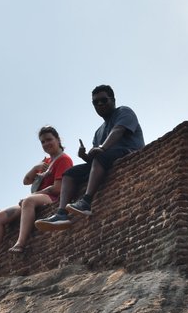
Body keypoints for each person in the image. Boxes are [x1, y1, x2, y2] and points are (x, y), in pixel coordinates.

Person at [35, 85, 143, 230]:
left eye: (103, 100)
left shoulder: (124, 112)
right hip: (107, 159)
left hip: (128, 152)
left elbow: (118, 130)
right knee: (69, 173)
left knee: (101, 156)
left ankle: (86, 202)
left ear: (113, 100)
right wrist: (85, 157)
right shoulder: (99, 132)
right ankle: (61, 214)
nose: (100, 104)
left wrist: (102, 148)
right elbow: (95, 163)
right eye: (96, 102)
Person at [0, 126, 73, 269]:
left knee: (28, 200)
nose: (46, 144)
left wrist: (33, 195)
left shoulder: (64, 160)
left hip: (52, 198)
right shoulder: (46, 162)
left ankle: (21, 243)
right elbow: (26, 181)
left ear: (58, 139)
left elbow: (58, 189)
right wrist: (35, 168)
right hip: (36, 197)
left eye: (49, 140)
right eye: (43, 142)